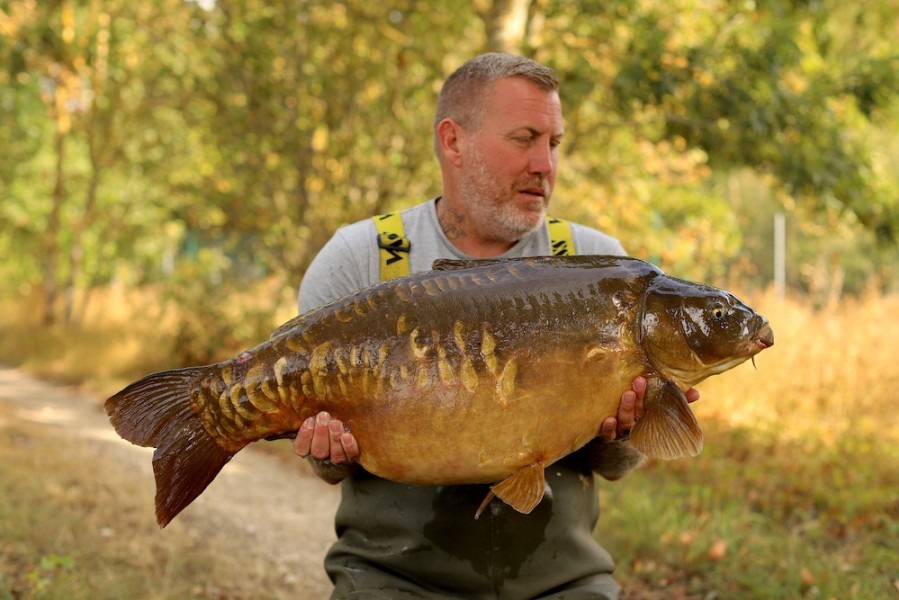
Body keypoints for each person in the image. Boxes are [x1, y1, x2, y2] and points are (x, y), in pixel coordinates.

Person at [293, 52, 699, 599]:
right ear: (453, 141)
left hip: (560, 579)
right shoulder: (362, 258)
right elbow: (328, 470)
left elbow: (617, 466)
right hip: (392, 577)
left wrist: (624, 431)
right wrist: (325, 449)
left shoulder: (598, 264)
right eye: (524, 138)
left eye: (553, 144)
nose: (545, 165)